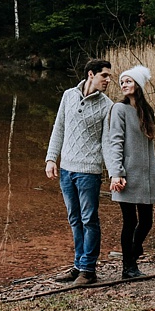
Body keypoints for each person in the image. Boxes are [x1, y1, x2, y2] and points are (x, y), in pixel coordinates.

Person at [44, 58, 112, 285]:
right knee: (74, 219)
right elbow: (59, 127)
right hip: (66, 169)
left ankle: (88, 270)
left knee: (89, 219)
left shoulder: (107, 106)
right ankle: (78, 265)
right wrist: (51, 158)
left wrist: (114, 172)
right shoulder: (68, 95)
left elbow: (108, 143)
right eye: (104, 75)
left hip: (89, 172)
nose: (108, 80)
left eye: (109, 76)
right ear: (91, 75)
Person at [104, 65, 155, 283]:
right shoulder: (119, 109)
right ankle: (129, 267)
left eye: (128, 81)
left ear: (138, 84)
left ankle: (133, 254)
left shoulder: (147, 111)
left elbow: (150, 144)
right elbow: (114, 141)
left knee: (146, 222)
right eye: (122, 82)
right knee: (129, 221)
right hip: (127, 175)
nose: (124, 85)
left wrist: (154, 166)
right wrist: (116, 172)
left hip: (146, 175)